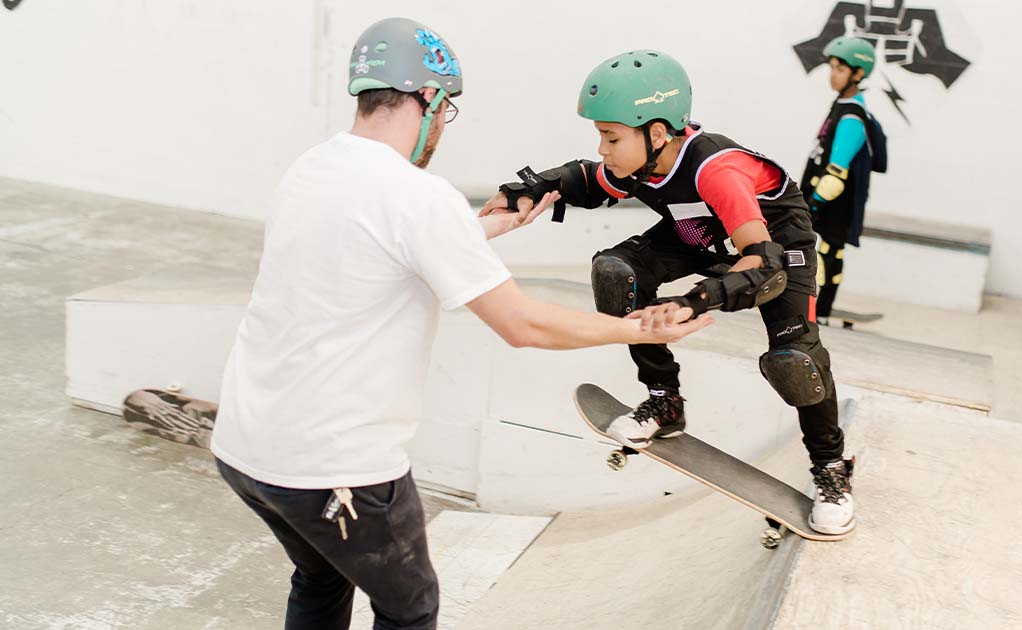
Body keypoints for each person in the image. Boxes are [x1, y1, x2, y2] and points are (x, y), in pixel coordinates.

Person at [209, 20, 710, 630]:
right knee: (409, 609)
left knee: (321, 577)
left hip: (243, 449)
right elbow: (523, 325)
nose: (444, 126)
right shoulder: (418, 195)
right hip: (337, 469)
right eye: (448, 110)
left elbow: (378, 249)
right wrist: (640, 330)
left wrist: (486, 228)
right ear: (431, 100)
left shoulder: (312, 169)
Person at [482, 50, 856, 537]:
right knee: (619, 272)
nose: (604, 149)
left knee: (794, 361)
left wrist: (693, 301)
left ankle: (831, 467)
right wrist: (524, 192)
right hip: (696, 231)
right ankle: (664, 402)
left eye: (611, 137)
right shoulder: (643, 161)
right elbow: (584, 181)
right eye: (601, 136)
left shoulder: (714, 170)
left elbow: (761, 265)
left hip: (775, 245)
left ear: (656, 133)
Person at [799, 36, 884, 324]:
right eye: (832, 67)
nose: (832, 74)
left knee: (824, 254)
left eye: (840, 69)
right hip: (829, 202)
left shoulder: (852, 116)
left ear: (858, 73)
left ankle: (818, 311)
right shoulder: (844, 104)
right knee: (828, 252)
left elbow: (836, 172)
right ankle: (820, 309)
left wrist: (811, 204)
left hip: (832, 202)